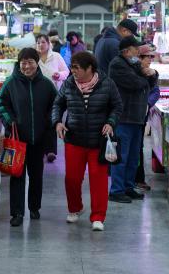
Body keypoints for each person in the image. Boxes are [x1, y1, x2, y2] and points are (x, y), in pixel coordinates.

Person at [52, 51, 122, 231]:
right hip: (74, 138)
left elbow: (117, 106)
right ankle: (75, 208)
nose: (73, 71)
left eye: (77, 68)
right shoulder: (68, 83)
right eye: (72, 68)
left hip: (98, 141)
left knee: (98, 180)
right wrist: (58, 122)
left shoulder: (106, 84)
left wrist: (111, 122)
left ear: (89, 68)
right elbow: (58, 104)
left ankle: (98, 216)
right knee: (72, 179)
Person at [0, 47, 57, 227]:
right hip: (17, 139)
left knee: (36, 175)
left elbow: (55, 106)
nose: (26, 66)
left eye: (30, 62)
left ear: (37, 63)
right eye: (23, 63)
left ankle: (34, 207)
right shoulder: (10, 83)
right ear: (19, 64)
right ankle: (17, 213)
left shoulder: (46, 84)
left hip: (38, 138)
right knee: (17, 175)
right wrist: (10, 121)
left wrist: (48, 124)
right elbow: (1, 103)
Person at [108, 36, 157, 203]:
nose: (139, 52)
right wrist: (146, 76)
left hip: (137, 118)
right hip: (124, 117)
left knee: (133, 156)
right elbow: (136, 83)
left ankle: (128, 186)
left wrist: (152, 74)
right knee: (121, 156)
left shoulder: (133, 64)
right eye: (136, 49)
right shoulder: (117, 64)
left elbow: (150, 82)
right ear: (127, 50)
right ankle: (116, 190)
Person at [36, 33, 69, 162]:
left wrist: (58, 75)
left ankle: (51, 150)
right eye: (38, 42)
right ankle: (40, 148)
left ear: (48, 44)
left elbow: (66, 72)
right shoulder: (34, 57)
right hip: (37, 93)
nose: (40, 45)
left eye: (43, 42)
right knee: (40, 121)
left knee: (51, 120)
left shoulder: (56, 56)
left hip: (54, 93)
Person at [135, 44, 160, 191]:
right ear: (139, 57)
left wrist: (147, 104)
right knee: (130, 149)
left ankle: (139, 179)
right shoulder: (131, 72)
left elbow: (156, 92)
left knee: (139, 147)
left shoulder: (151, 73)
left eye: (152, 57)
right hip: (128, 116)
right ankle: (126, 181)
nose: (151, 59)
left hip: (141, 116)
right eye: (148, 57)